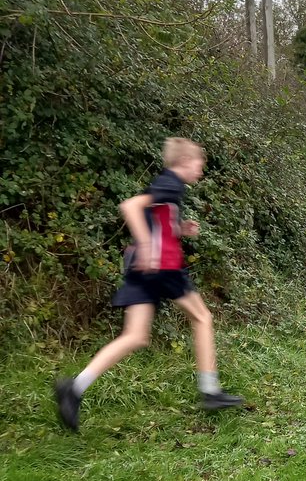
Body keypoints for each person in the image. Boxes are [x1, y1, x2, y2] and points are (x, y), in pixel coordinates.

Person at [54, 138, 244, 431]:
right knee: (203, 317)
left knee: (135, 336)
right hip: (163, 267)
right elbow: (131, 206)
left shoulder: (166, 185)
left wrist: (180, 229)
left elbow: (156, 221)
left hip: (143, 270)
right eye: (199, 164)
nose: (201, 170)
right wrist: (147, 246)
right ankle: (210, 391)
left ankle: (74, 388)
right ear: (184, 162)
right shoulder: (171, 183)